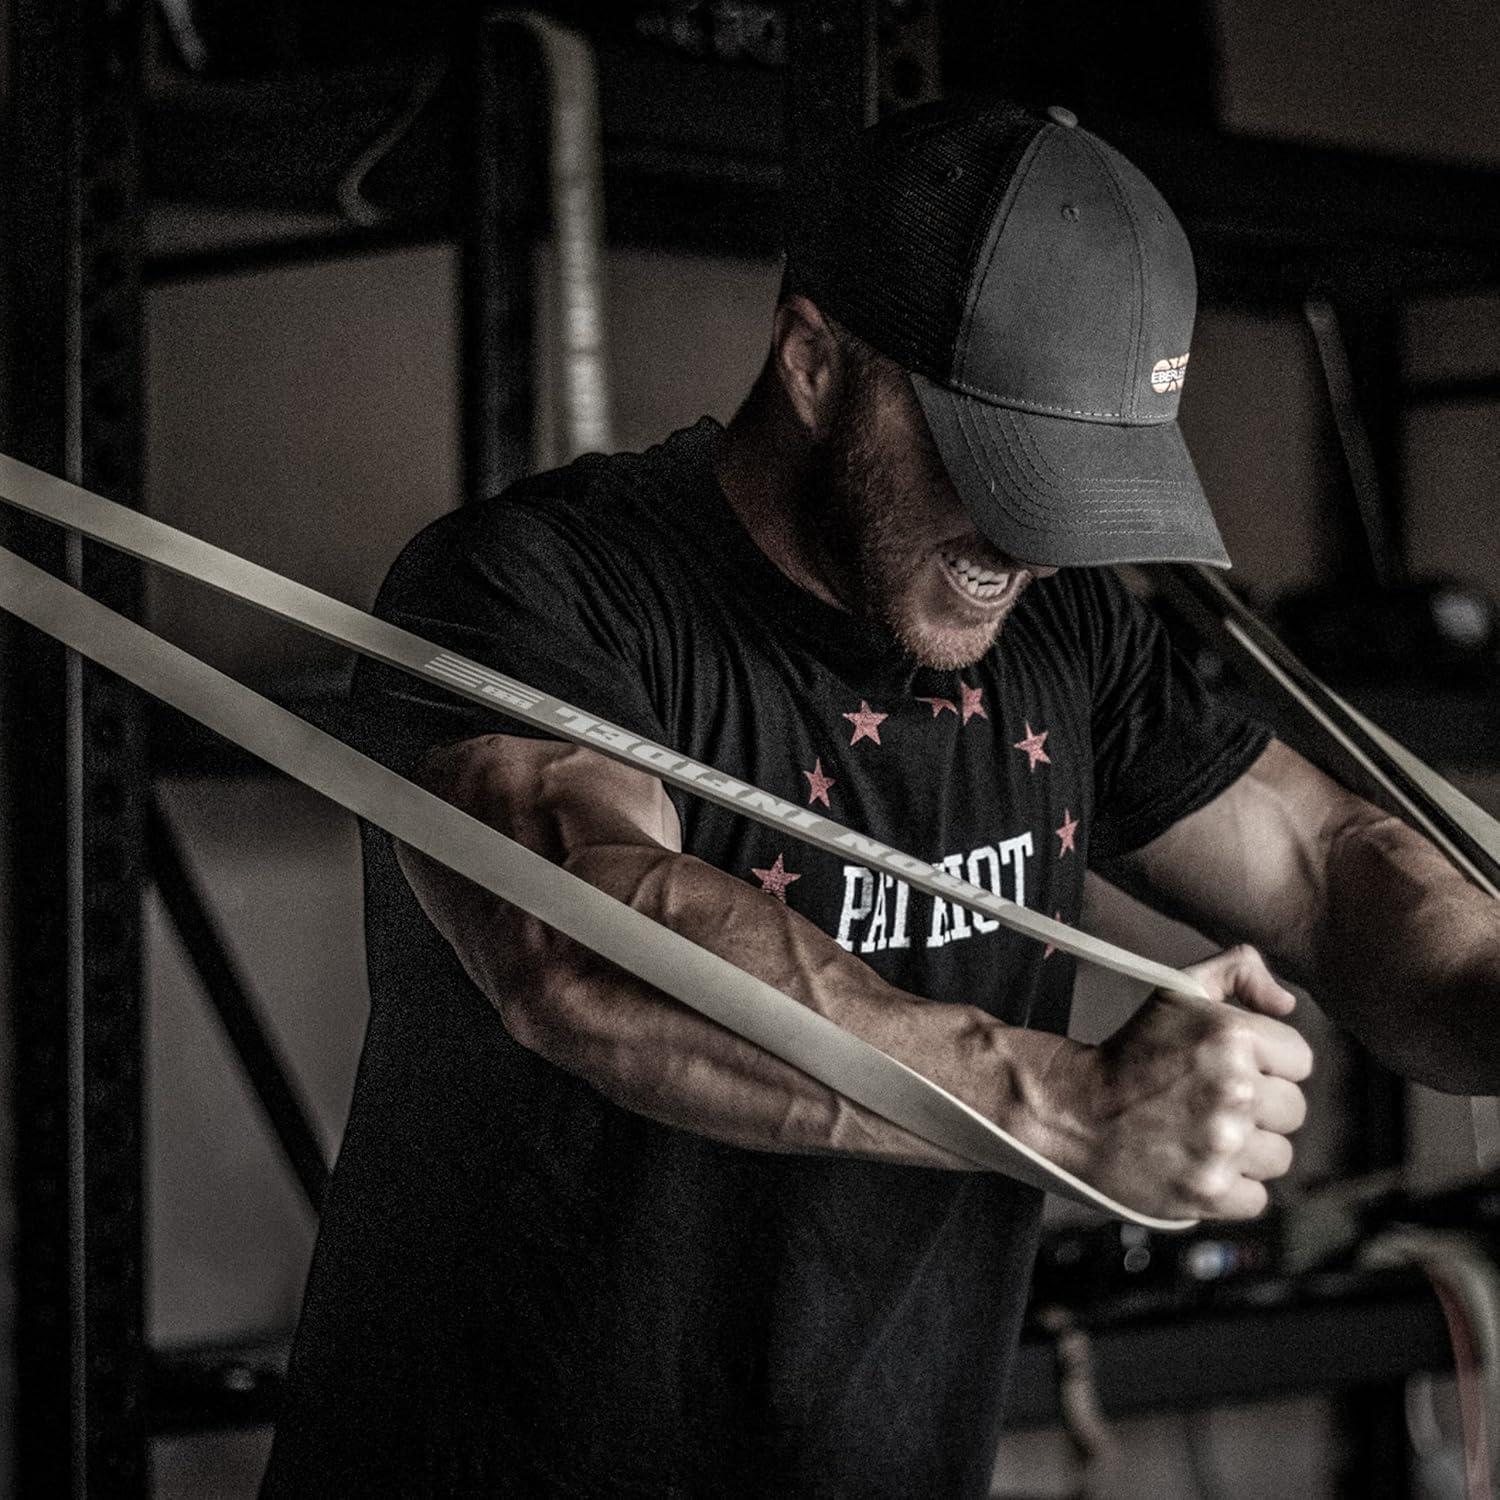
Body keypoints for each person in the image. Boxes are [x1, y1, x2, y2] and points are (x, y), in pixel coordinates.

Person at [262, 99, 1500, 1499]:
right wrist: (1069, 1108)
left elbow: (1328, 863)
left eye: (1073, 486)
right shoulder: (534, 587)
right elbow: (578, 947)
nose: (1033, 544)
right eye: (996, 464)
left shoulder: (1065, 635)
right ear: (814, 363)